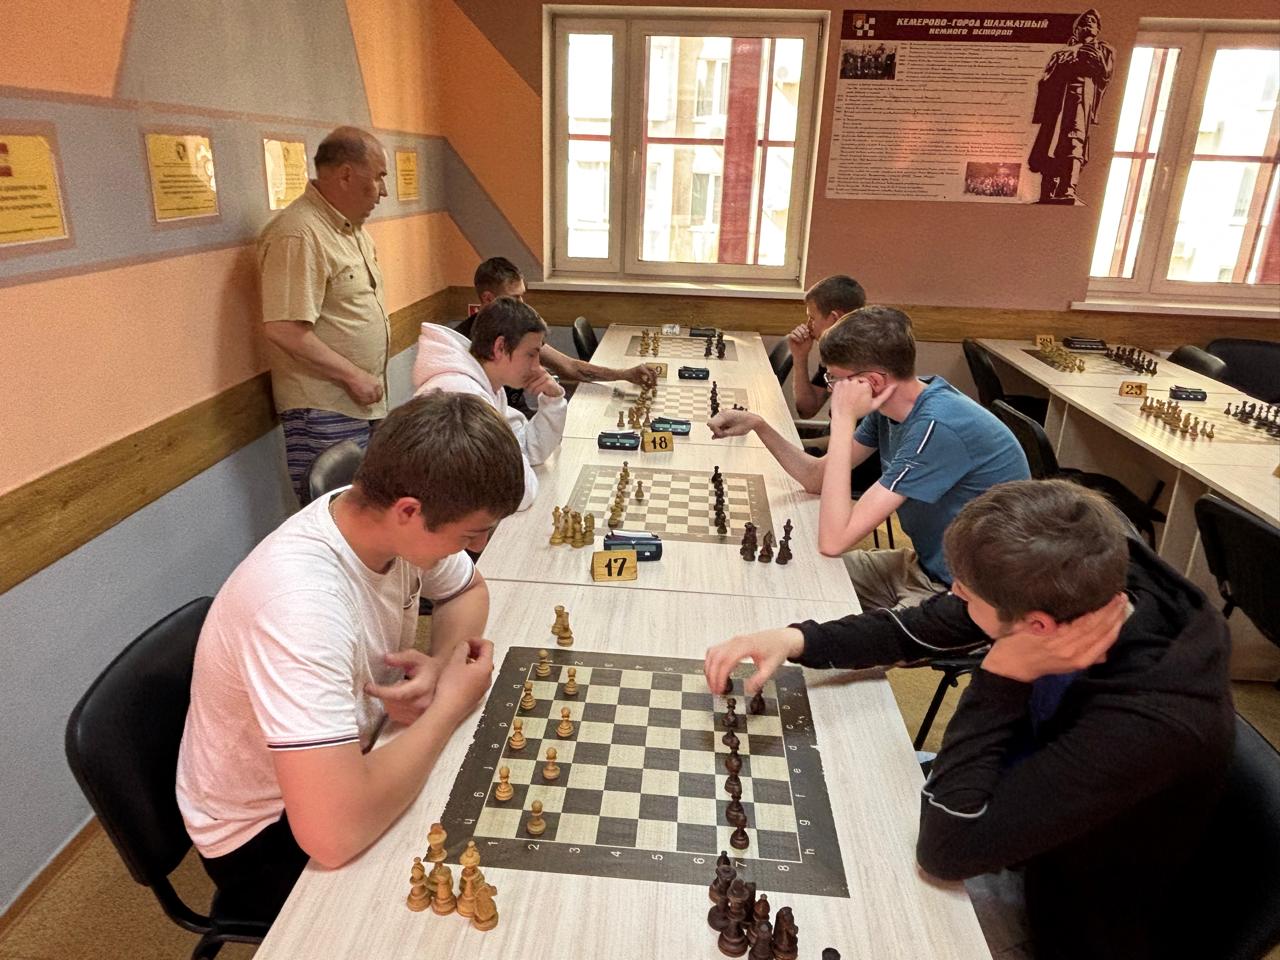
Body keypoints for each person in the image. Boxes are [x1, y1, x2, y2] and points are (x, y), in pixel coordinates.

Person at [704, 479, 1234, 960]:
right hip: (1007, 810)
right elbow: (926, 626)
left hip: (1063, 913)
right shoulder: (1082, 582)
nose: (952, 594)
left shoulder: (1151, 722)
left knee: (850, 900)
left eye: (964, 590)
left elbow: (946, 851)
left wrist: (1001, 676)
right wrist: (798, 639)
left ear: (1037, 628)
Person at [176, 392, 524, 922]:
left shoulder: (370, 512)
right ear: (409, 511)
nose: (473, 548)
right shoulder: (300, 606)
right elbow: (333, 836)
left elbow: (466, 590)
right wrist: (448, 705)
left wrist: (441, 663)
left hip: (349, 759)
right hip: (264, 831)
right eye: (470, 534)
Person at [709, 306, 1028, 609]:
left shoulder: (937, 427)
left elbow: (834, 540)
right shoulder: (891, 408)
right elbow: (816, 478)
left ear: (872, 382)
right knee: (793, 576)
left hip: (967, 596)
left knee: (832, 643)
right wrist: (760, 426)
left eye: (834, 380)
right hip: (923, 568)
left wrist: (844, 418)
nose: (831, 389)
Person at [258, 126, 391, 502]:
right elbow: (284, 328)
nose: (383, 191)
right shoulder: (299, 233)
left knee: (370, 509)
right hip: (325, 408)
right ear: (346, 174)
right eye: (378, 176)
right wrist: (353, 376)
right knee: (337, 515)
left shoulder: (352, 230)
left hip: (361, 402)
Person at [413, 297, 566, 511]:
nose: (537, 367)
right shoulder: (461, 396)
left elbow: (529, 449)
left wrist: (553, 400)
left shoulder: (489, 387)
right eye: (531, 354)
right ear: (500, 347)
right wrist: (516, 461)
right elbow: (515, 492)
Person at [457, 257, 657, 397]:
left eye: (522, 296)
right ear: (488, 299)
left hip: (520, 421)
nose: (522, 305)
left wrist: (624, 374)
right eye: (514, 298)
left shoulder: (520, 331)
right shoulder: (462, 344)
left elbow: (569, 367)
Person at [1028, 9, 1115, 204]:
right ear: (1076, 30)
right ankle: (1048, 190)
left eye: (1093, 21)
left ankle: (1067, 188)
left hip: (1079, 102)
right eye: (1084, 22)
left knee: (1074, 142)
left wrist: (1087, 57)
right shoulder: (1061, 53)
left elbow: (1104, 75)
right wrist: (1064, 63)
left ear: (1098, 28)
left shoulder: (1102, 50)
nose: (1088, 24)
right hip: (1057, 104)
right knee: (1050, 144)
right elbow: (1045, 81)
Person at [785, 274, 866, 419]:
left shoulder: (866, 363)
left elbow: (853, 435)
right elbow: (806, 410)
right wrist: (800, 356)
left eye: (812, 318)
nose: (808, 325)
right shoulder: (836, 352)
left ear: (835, 319)